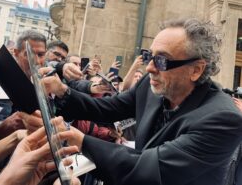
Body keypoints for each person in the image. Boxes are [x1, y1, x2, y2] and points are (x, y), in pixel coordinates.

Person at [43, 18, 242, 185]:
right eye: (149, 56)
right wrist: (63, 91)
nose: (149, 68)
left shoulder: (223, 119)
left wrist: (81, 141)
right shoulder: (151, 84)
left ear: (196, 70)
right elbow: (109, 108)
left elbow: (149, 170)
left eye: (162, 60)